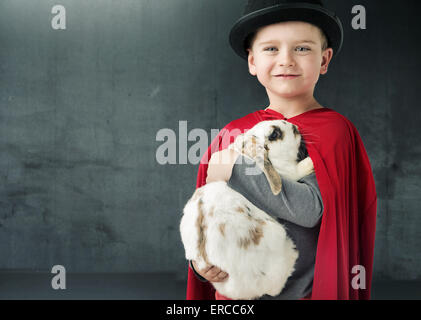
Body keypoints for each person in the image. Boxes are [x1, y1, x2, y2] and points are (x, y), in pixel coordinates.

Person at [186, 0, 377, 300]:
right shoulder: (231, 134)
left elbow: (312, 211)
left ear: (324, 60)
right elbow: (207, 215)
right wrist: (201, 264)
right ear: (252, 61)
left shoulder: (336, 132)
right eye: (271, 49)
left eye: (302, 48)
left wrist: (237, 171)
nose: (286, 60)